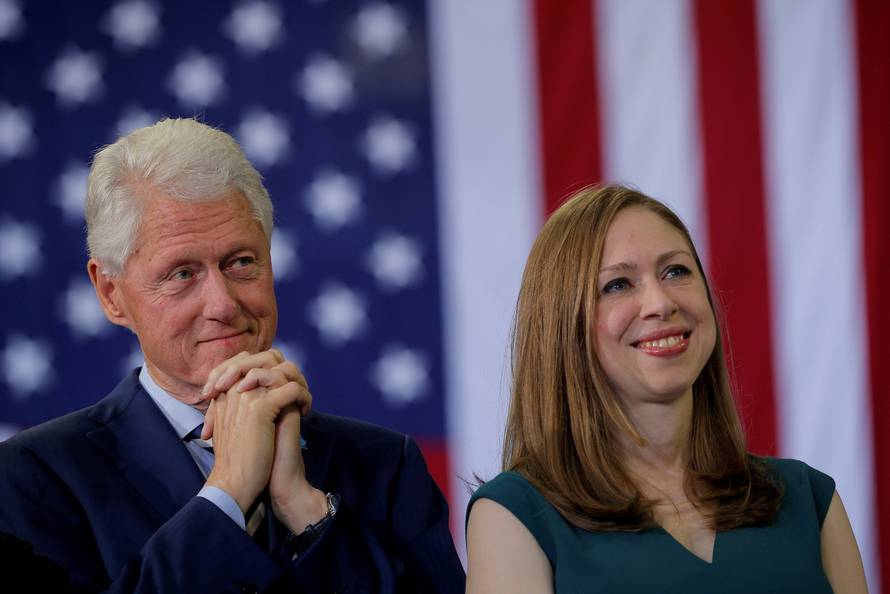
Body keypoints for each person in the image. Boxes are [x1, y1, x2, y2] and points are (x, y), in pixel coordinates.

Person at [0, 118, 465, 594]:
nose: (223, 304)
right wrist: (228, 493)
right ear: (111, 293)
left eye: (241, 262)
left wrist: (306, 511)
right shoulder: (33, 479)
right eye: (182, 273)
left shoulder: (385, 467)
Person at [465, 185, 868, 593]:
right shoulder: (516, 515)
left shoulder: (809, 500)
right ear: (563, 325)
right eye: (618, 284)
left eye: (676, 271)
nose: (660, 302)